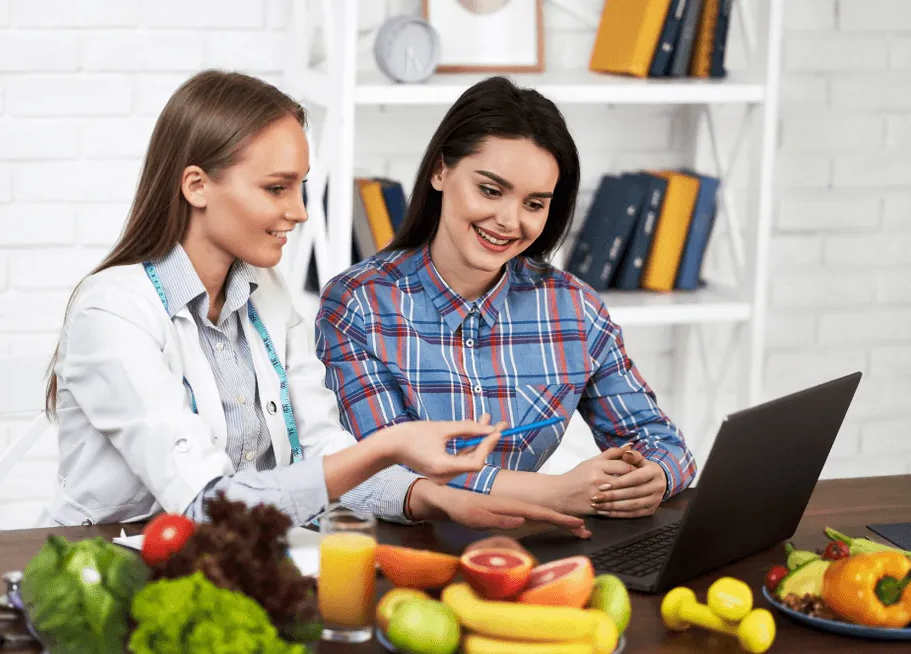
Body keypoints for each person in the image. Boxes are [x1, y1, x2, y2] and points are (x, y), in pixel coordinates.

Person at [39, 69, 587, 535]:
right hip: (105, 577)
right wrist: (389, 446)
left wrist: (429, 497)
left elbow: (323, 452)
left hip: (237, 564)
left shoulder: (264, 292)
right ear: (197, 186)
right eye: (277, 188)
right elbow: (207, 505)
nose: (300, 211)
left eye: (302, 186)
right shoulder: (112, 311)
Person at [317, 76, 697, 527]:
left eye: (534, 204)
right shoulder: (359, 304)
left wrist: (653, 476)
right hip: (403, 551)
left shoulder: (574, 310)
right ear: (440, 171)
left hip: (527, 548)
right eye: (491, 191)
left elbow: (663, 443)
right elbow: (388, 474)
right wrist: (559, 493)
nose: (509, 221)